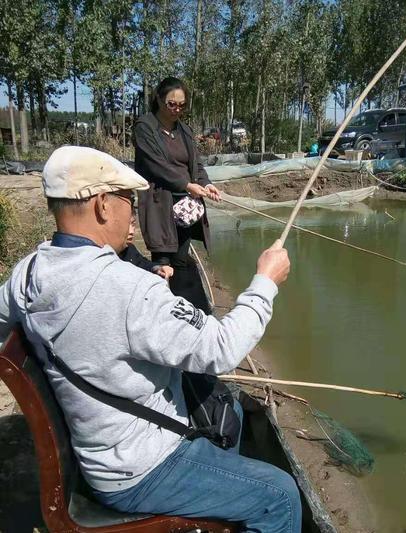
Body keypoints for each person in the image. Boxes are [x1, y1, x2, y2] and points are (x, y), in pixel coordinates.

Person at [0, 146, 300, 532]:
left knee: (230, 410)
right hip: (142, 466)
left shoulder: (29, 271)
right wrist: (265, 283)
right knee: (280, 495)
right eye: (128, 199)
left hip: (102, 451)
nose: (133, 211)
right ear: (102, 205)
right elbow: (221, 348)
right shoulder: (129, 288)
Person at [134, 76, 218, 313]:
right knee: (162, 259)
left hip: (184, 207)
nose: (177, 109)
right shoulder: (145, 128)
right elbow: (155, 165)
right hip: (159, 201)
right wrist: (186, 184)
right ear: (159, 99)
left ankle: (187, 311)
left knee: (181, 256)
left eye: (181, 105)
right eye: (172, 104)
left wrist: (205, 183)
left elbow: (196, 166)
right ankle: (161, 312)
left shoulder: (184, 131)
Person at [118, 213, 174, 279]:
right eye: (125, 225)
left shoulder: (129, 248)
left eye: (133, 224)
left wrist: (158, 268)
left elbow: (142, 263)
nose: (131, 231)